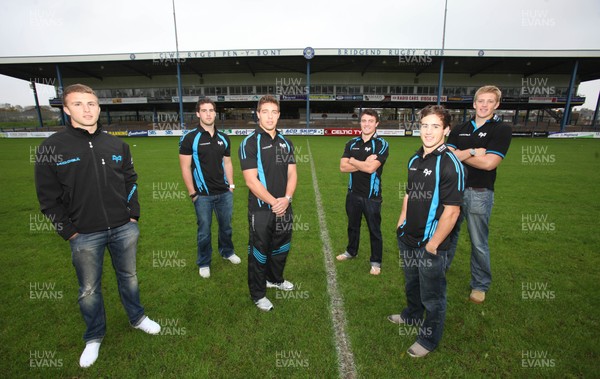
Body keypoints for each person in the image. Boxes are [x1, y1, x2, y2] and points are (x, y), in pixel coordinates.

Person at [34, 84, 160, 368]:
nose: (86, 109)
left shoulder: (117, 145)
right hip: (83, 233)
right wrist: (68, 230)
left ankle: (137, 318)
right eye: (78, 104)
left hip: (123, 228)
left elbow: (130, 181)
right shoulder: (50, 147)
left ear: (99, 108)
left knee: (129, 277)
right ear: (66, 110)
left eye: (91, 103)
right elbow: (47, 197)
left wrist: (133, 215)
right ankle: (94, 336)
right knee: (89, 289)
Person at [388, 105, 465, 358]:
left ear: (446, 130)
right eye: (424, 125)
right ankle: (411, 315)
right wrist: (401, 221)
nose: (428, 131)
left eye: (435, 126)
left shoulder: (451, 164)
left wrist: (433, 245)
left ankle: (429, 339)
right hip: (407, 237)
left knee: (432, 295)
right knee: (412, 283)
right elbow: (409, 193)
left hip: (431, 243)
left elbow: (452, 212)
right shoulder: (414, 158)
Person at [445, 85, 512, 304]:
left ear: (497, 104)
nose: (484, 105)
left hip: (479, 193)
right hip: (454, 190)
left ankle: (480, 284)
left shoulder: (501, 129)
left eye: (489, 101)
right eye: (480, 101)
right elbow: (448, 157)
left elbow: (489, 164)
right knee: (447, 234)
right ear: (474, 103)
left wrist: (459, 154)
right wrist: (473, 151)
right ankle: (439, 272)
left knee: (478, 242)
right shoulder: (461, 127)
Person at [238, 95, 297, 311]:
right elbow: (250, 180)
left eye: (274, 112)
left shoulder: (286, 142)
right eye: (265, 112)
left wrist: (287, 199)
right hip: (261, 210)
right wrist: (274, 202)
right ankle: (258, 293)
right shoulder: (249, 143)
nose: (270, 116)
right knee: (259, 251)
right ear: (258, 114)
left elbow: (292, 174)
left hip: (284, 206)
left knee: (281, 247)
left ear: (279, 115)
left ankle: (275, 279)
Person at [179, 98, 240, 279]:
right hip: (202, 195)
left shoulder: (224, 138)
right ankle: (204, 262)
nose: (208, 114)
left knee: (226, 227)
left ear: (215, 113)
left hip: (224, 193)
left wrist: (231, 185)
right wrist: (192, 192)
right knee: (204, 231)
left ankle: (227, 252)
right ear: (198, 114)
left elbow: (227, 163)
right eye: (204, 110)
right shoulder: (190, 138)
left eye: (211, 110)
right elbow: (184, 167)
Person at [337, 109, 389, 275]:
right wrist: (361, 163)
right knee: (353, 226)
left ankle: (376, 261)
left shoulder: (381, 144)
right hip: (353, 194)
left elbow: (371, 168)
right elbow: (342, 167)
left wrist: (353, 160)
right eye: (364, 120)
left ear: (376, 124)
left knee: (374, 230)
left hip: (372, 197)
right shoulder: (351, 143)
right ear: (360, 123)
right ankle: (351, 251)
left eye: (370, 121)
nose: (367, 124)